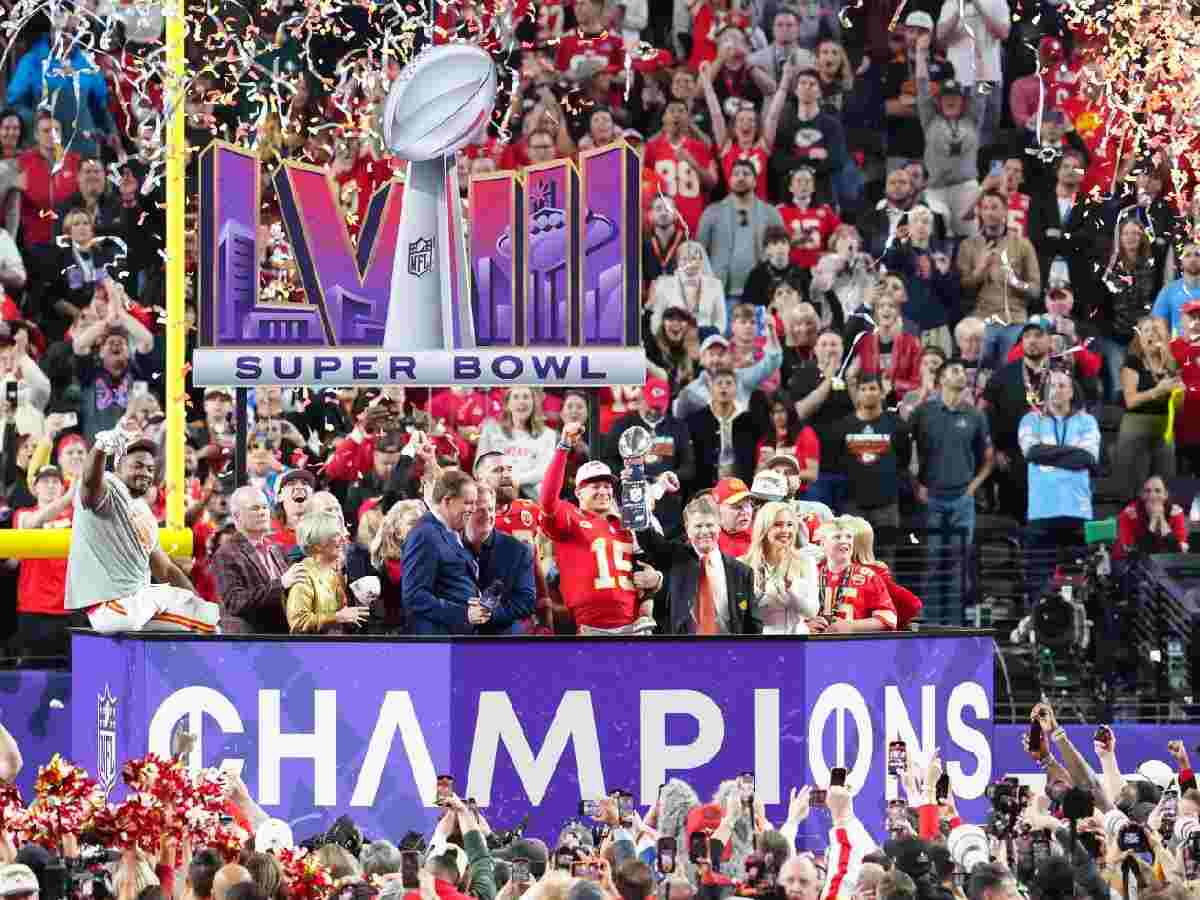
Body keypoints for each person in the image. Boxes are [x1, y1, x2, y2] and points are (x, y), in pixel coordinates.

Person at [64, 430, 220, 633]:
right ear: (118, 466)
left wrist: (198, 602)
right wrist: (100, 448)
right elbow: (89, 482)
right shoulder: (110, 487)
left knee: (205, 614)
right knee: (208, 626)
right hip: (112, 606)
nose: (145, 473)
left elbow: (166, 570)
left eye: (150, 468)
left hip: (137, 603)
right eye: (137, 465)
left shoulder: (143, 510)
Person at [541, 422, 656, 634]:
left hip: (634, 625)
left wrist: (656, 579)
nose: (603, 491)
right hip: (590, 626)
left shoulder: (625, 523)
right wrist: (564, 447)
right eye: (595, 486)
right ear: (578, 493)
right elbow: (548, 500)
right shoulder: (570, 516)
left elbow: (650, 563)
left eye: (607, 485)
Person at [910, 358, 993, 624]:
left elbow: (989, 457)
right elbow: (903, 445)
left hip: (962, 499)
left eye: (962, 371)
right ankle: (932, 623)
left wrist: (973, 487)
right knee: (934, 560)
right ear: (942, 378)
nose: (962, 375)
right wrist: (915, 484)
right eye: (955, 371)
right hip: (932, 497)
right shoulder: (923, 412)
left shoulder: (975, 415)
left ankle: (956, 624)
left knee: (959, 562)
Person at [1017, 370, 1100, 603]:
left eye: (1063, 385)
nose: (1057, 390)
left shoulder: (1087, 421)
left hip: (1077, 514)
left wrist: (1047, 453)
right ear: (1045, 391)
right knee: (1039, 586)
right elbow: (1031, 452)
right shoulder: (1031, 420)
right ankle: (1036, 635)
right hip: (1041, 514)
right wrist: (1070, 454)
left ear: (1072, 392)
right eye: (1053, 386)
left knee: (1076, 586)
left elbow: (1086, 459)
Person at [633, 494, 762, 635]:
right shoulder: (675, 557)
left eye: (710, 525)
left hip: (728, 652)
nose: (705, 531)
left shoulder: (741, 572)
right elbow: (648, 538)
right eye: (698, 526)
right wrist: (634, 493)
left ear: (719, 527)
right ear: (688, 530)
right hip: (682, 652)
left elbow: (753, 624)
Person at [210, 485, 306, 634]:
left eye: (265, 507)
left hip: (286, 635)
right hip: (254, 641)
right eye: (255, 508)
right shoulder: (226, 554)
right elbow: (235, 602)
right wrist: (281, 584)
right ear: (237, 516)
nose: (262, 513)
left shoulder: (277, 549)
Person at [402, 469, 486, 636]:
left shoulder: (452, 532)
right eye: (468, 503)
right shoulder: (424, 535)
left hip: (458, 638)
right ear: (447, 501)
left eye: (475, 503)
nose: (473, 509)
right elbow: (414, 596)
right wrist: (464, 614)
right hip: (436, 642)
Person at [10, 465, 81, 659]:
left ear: (62, 486)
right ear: (35, 487)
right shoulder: (23, 514)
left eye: (55, 481)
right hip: (33, 608)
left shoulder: (75, 515)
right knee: (33, 676)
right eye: (45, 481)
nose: (50, 485)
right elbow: (31, 523)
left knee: (73, 677)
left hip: (69, 608)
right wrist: (66, 499)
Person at [1114, 317, 1179, 498]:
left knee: (1164, 486)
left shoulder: (1171, 365)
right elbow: (1130, 400)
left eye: (1156, 330)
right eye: (1147, 330)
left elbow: (1176, 405)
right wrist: (1158, 390)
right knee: (1136, 489)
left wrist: (1179, 394)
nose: (1151, 334)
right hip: (1136, 427)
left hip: (1164, 427)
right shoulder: (1132, 363)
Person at [464, 485, 537, 635]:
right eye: (480, 509)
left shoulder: (518, 551)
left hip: (502, 638)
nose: (487, 515)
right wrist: (463, 614)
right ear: (466, 512)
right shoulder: (448, 545)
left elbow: (527, 601)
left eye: (490, 509)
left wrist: (490, 614)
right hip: (456, 637)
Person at [739, 500, 818, 634]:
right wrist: (759, 594)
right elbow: (739, 610)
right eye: (778, 525)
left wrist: (791, 594)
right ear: (764, 528)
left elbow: (812, 611)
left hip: (797, 643)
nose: (785, 530)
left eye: (790, 525)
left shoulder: (806, 562)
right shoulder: (743, 564)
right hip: (759, 644)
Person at [809, 517, 898, 632]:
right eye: (837, 537)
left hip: (854, 646)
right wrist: (805, 624)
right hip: (812, 646)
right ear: (822, 543)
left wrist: (852, 626)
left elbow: (889, 618)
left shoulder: (869, 576)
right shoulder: (809, 572)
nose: (844, 541)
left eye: (849, 537)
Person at [285, 510, 366, 634]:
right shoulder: (303, 575)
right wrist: (337, 617)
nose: (343, 539)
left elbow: (344, 614)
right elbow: (298, 622)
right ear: (317, 545)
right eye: (336, 535)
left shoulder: (334, 572)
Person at [477, 387, 557, 502]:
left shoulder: (548, 435)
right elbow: (480, 467)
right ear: (507, 404)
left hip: (532, 497)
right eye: (516, 397)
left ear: (534, 403)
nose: (521, 402)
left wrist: (513, 480)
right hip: (495, 496)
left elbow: (544, 471)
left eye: (526, 397)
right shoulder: (490, 430)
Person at [845, 516, 923, 629]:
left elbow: (912, 605)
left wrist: (888, 625)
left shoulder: (873, 574)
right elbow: (913, 605)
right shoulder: (823, 568)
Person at [1114, 475, 1190, 559]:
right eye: (1147, 491)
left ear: (1165, 495)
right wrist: (1153, 522)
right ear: (1142, 495)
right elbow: (1135, 553)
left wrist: (1162, 520)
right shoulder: (1129, 514)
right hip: (1132, 563)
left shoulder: (1175, 512)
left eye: (1158, 491)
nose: (1152, 496)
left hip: (1166, 563)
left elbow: (1179, 553)